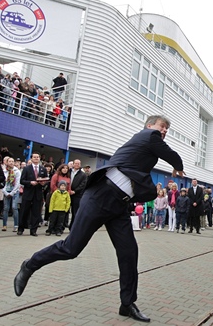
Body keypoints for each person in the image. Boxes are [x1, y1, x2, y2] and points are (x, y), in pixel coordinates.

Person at [14, 115, 185, 323]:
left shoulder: (148, 148)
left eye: (167, 128)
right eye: (162, 126)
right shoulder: (148, 136)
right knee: (71, 248)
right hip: (100, 196)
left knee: (129, 252)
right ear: (150, 126)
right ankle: (30, 264)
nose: (164, 130)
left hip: (119, 206)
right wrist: (178, 165)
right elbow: (172, 155)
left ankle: (127, 303)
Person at [17, 152, 48, 236]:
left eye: (38, 157)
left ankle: (33, 230)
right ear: (31, 158)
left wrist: (43, 183)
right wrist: (30, 182)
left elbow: (46, 180)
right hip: (28, 193)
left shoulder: (43, 169)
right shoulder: (27, 169)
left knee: (36, 213)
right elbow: (22, 180)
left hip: (37, 194)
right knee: (24, 212)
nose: (36, 158)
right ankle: (21, 228)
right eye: (34, 157)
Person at [2, 157, 21, 232]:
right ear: (6, 162)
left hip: (15, 192)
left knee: (14, 207)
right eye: (9, 161)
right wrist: (5, 192)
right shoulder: (4, 171)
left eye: (13, 161)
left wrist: (13, 192)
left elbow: (17, 183)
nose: (11, 163)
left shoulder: (17, 171)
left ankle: (16, 225)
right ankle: (4, 225)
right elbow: (2, 182)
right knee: (6, 208)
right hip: (6, 191)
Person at [68, 159, 87, 230]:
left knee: (75, 212)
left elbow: (83, 185)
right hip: (67, 194)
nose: (77, 165)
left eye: (78, 163)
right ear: (73, 164)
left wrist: (75, 191)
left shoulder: (83, 174)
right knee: (64, 211)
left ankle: (72, 227)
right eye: (75, 163)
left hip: (77, 195)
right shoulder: (68, 172)